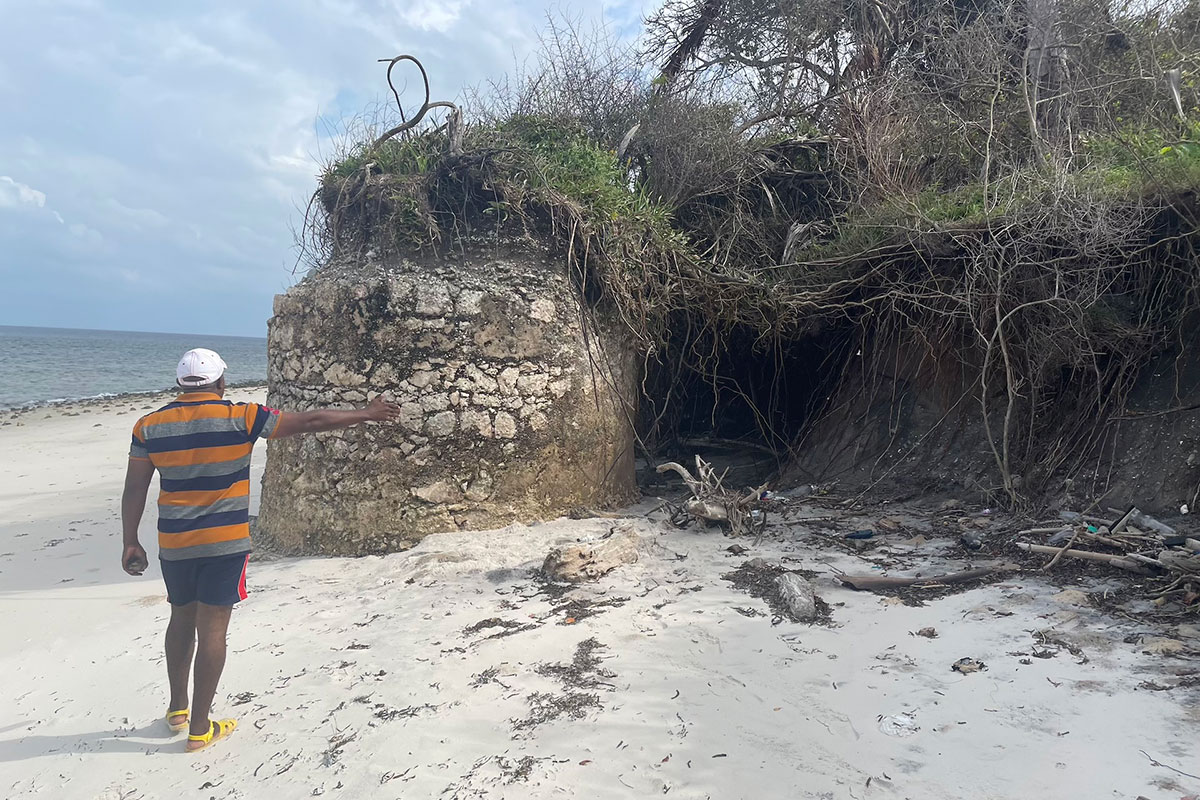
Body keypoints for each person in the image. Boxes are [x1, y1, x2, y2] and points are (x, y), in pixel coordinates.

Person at [120, 348, 401, 753]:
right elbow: (312, 421)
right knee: (213, 629)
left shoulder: (148, 426)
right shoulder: (242, 417)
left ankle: (178, 710)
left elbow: (135, 487)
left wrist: (131, 540)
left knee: (181, 618)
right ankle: (200, 728)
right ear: (221, 383)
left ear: (180, 383)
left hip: (175, 543)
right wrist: (366, 413)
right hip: (225, 544)